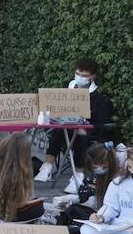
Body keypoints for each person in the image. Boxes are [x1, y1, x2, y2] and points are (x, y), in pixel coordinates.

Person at [37, 57, 115, 192]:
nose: (80, 77)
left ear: (92, 77)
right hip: (65, 130)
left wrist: (86, 128)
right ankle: (47, 166)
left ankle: (78, 175)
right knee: (60, 128)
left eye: (84, 76)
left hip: (88, 134)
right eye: (78, 74)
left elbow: (102, 123)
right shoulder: (67, 90)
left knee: (80, 133)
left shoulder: (99, 98)